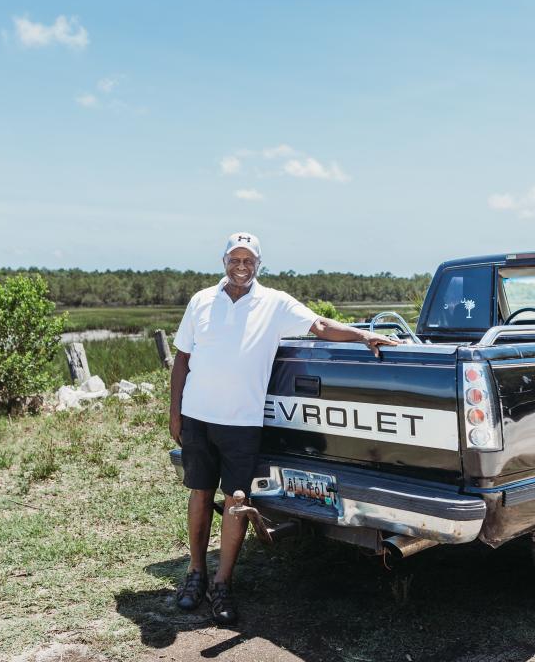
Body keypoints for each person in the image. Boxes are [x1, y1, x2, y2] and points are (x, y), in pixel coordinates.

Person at [169, 232, 400, 626]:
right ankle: (195, 573)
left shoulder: (274, 303)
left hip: (241, 421)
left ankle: (222, 583)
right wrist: (175, 413)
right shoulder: (201, 301)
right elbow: (181, 360)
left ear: (259, 264)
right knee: (199, 492)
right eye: (235, 259)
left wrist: (364, 335)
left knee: (238, 498)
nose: (241, 266)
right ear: (224, 260)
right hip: (197, 417)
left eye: (249, 260)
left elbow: (321, 326)